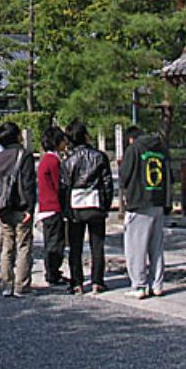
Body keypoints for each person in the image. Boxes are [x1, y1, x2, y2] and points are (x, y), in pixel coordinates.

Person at [0, 122, 39, 297]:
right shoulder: (25, 156)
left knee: (7, 246)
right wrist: (31, 207)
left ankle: (6, 284)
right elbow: (29, 184)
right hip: (21, 206)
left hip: (4, 208)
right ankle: (22, 285)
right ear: (17, 136)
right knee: (23, 246)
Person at [61, 120, 113, 294]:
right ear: (85, 135)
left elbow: (64, 187)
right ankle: (98, 281)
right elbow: (107, 183)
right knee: (97, 245)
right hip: (95, 202)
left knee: (75, 247)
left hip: (76, 205)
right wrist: (106, 205)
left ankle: (77, 282)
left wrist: (65, 209)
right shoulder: (99, 156)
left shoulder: (68, 160)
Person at [119, 124, 170, 299]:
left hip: (139, 202)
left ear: (130, 139)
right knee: (156, 247)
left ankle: (139, 285)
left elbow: (124, 175)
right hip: (158, 201)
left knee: (136, 246)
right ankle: (157, 284)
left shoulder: (133, 149)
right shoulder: (161, 149)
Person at [35, 125, 67, 288]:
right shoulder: (53, 161)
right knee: (55, 243)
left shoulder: (45, 160)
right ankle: (53, 273)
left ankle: (52, 271)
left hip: (45, 207)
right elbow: (58, 185)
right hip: (53, 206)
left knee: (51, 241)